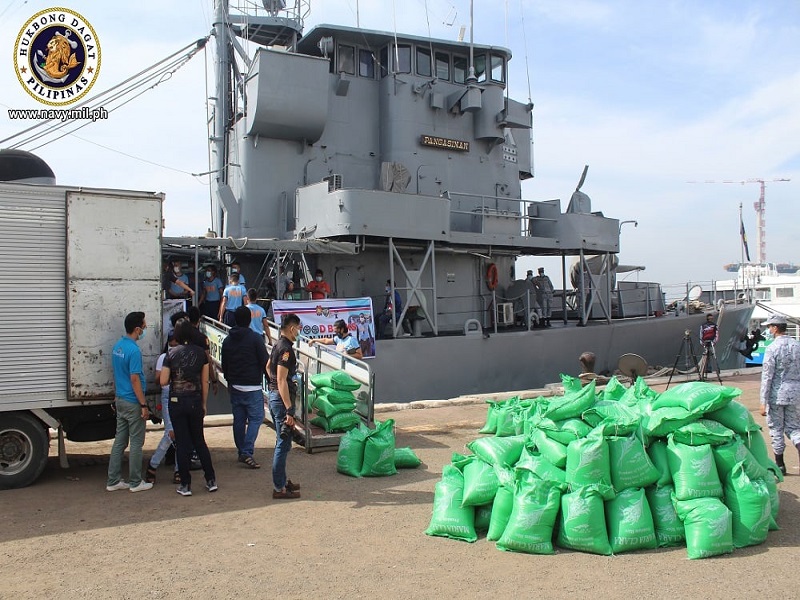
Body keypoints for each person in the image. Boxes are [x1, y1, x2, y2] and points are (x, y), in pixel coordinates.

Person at [160, 318, 217, 496]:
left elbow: (163, 381)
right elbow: (205, 382)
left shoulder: (171, 355)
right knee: (199, 441)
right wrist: (204, 404)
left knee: (182, 444)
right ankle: (211, 480)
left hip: (177, 402)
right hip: (195, 400)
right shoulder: (201, 354)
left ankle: (185, 484)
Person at [106, 311, 153, 493]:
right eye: (144, 325)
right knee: (136, 443)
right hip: (133, 402)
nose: (145, 328)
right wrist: (143, 405)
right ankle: (135, 482)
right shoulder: (134, 350)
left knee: (120, 441)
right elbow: (135, 379)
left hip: (120, 399)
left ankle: (113, 480)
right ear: (137, 329)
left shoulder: (118, 346)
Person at [221, 306, 269, 469]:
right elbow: (265, 362)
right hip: (252, 387)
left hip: (234, 385)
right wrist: (271, 380)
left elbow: (224, 364)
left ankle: (241, 450)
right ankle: (247, 452)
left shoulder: (227, 340)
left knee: (239, 420)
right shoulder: (256, 339)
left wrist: (228, 381)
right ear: (250, 320)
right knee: (256, 418)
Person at [266, 313, 302, 499]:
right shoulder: (286, 349)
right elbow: (281, 380)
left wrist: (272, 386)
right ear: (291, 328)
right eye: (299, 327)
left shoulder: (277, 345)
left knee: (284, 442)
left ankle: (281, 480)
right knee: (283, 443)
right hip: (281, 401)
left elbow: (268, 367)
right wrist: (289, 409)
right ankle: (278, 487)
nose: (300, 331)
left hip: (275, 398)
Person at [759, 314, 800, 475]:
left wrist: (763, 401)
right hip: (795, 393)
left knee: (776, 428)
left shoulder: (772, 348)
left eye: (769, 327)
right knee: (795, 428)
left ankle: (780, 465)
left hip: (777, 394)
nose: (768, 330)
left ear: (775, 328)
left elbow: (767, 376)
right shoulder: (797, 345)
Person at [145, 338, 180, 485]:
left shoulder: (182, 355)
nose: (173, 346)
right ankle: (153, 464)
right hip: (168, 394)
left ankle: (178, 468)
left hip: (180, 394)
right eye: (171, 344)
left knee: (179, 433)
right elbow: (159, 379)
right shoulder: (163, 358)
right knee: (171, 432)